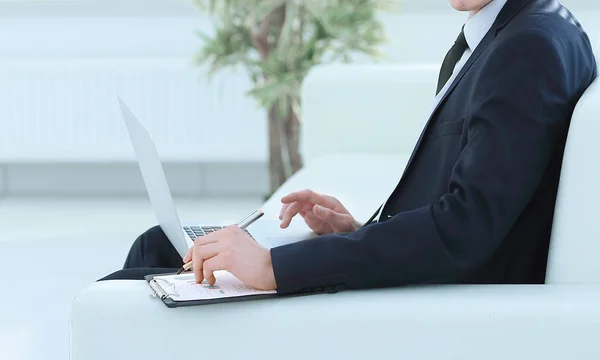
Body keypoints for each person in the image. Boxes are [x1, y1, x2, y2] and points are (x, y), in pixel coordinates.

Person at [102, 0, 597, 294]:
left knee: (139, 282)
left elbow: (466, 233)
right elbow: (478, 199)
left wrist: (274, 268)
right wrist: (356, 228)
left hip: (435, 300)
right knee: (161, 243)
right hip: (425, 272)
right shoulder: (509, 31)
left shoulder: (528, 47)